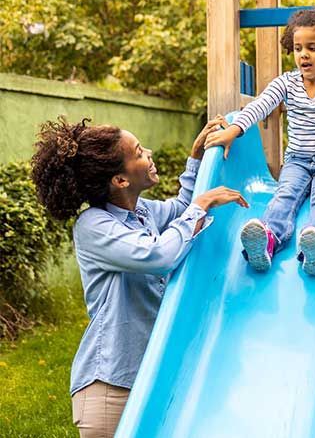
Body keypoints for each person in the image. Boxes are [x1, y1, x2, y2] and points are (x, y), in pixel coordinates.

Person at [31, 115, 248, 438]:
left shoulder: (141, 213)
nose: (148, 153)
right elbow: (159, 254)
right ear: (120, 180)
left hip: (148, 377)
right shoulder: (94, 226)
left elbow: (180, 210)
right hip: (111, 387)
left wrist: (196, 159)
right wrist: (201, 205)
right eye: (138, 152)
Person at [205, 6, 315, 276]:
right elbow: (260, 106)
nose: (304, 54)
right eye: (298, 48)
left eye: (313, 47)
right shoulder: (287, 83)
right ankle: (267, 239)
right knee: (284, 197)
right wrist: (233, 131)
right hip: (297, 160)